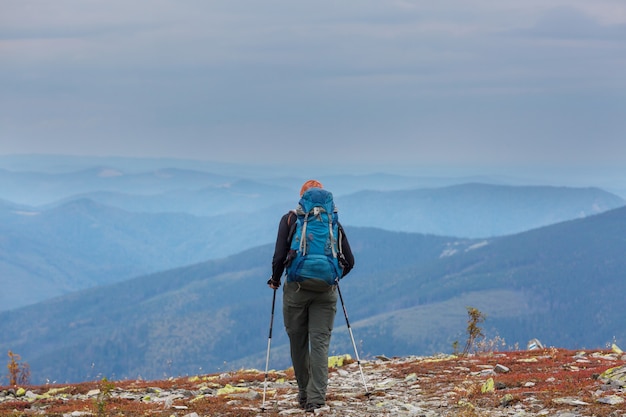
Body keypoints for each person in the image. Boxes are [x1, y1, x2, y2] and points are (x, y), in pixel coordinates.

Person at [268, 179, 355, 412]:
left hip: (296, 289)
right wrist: (333, 279)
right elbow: (350, 261)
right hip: (326, 291)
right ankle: (317, 399)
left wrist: (276, 280)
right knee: (319, 344)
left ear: (301, 198)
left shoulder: (289, 220)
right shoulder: (332, 222)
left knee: (298, 342)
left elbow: (278, 258)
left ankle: (304, 394)